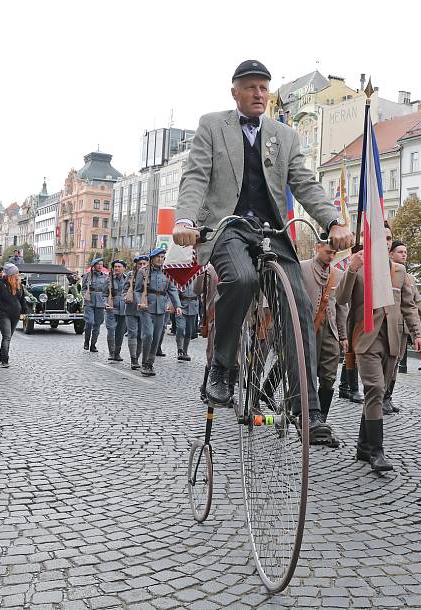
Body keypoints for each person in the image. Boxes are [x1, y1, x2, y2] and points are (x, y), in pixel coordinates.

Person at [173, 59, 354, 442]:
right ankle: (222, 366)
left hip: (271, 231)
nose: (258, 94)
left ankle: (307, 410)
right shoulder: (212, 125)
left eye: (264, 88)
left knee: (299, 304)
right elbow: (195, 177)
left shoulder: (284, 135)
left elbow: (305, 183)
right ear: (234, 91)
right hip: (227, 227)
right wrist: (186, 220)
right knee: (241, 277)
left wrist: (333, 221)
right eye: (251, 87)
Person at [336, 228, 421, 471]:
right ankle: (376, 451)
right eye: (379, 237)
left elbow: (408, 306)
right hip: (366, 338)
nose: (384, 242)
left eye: (388, 238)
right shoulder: (358, 266)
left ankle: (363, 447)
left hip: (392, 339)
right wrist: (352, 269)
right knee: (374, 388)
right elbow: (341, 299)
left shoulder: (399, 271)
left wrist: (418, 334)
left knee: (379, 391)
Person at [300, 237, 348, 427]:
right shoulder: (301, 268)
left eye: (334, 253)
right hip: (308, 329)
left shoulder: (338, 274)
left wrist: (343, 335)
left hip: (331, 331)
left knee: (328, 378)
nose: (331, 256)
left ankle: (321, 420)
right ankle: (304, 416)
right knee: (306, 375)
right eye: (328, 251)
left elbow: (342, 307)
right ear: (317, 247)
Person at [384, 240, 421, 414]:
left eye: (405, 252)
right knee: (386, 363)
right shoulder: (387, 272)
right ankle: (381, 397)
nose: (404, 255)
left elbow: (415, 303)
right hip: (387, 326)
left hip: (402, 327)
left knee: (395, 364)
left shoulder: (409, 278)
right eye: (400, 251)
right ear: (391, 254)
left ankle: (387, 397)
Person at [134, 247, 181, 376]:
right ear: (152, 258)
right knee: (148, 335)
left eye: (162, 257)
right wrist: (140, 302)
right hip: (146, 306)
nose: (160, 260)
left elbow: (172, 290)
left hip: (161, 308)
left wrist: (177, 306)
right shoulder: (143, 272)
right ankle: (144, 363)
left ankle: (150, 363)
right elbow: (137, 290)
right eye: (158, 257)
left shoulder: (167, 273)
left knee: (157, 337)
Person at [0, 263, 27, 368]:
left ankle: (1, 357)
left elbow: (22, 299)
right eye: (16, 273)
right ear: (11, 274)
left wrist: (24, 311)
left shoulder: (19, 285)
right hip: (3, 314)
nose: (18, 275)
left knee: (8, 337)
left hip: (15, 314)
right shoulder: (0, 285)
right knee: (7, 336)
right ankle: (5, 360)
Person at [194, 264, 218, 401]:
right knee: (212, 353)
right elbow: (196, 289)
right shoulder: (209, 269)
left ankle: (229, 390)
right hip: (215, 315)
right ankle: (205, 387)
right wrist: (200, 272)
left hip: (236, 315)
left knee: (236, 354)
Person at [124, 255, 147, 370]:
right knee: (132, 334)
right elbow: (124, 290)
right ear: (136, 265)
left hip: (144, 309)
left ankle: (137, 357)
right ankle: (133, 359)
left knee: (141, 336)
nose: (142, 266)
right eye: (140, 264)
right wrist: (126, 297)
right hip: (131, 308)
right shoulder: (130, 275)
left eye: (144, 264)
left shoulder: (149, 275)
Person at [105, 259, 129, 362]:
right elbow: (103, 294)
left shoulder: (128, 279)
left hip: (123, 309)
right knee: (111, 330)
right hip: (111, 309)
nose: (117, 268)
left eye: (119, 267)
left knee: (120, 332)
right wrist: (105, 303)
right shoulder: (108, 279)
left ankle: (117, 353)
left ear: (124, 268)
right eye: (115, 267)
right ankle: (111, 353)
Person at [82, 257, 108, 352]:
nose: (100, 266)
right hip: (89, 302)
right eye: (98, 264)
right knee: (89, 322)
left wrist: (105, 300)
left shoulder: (106, 277)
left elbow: (107, 291)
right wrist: (85, 295)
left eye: (101, 264)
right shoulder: (87, 276)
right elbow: (83, 288)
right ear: (94, 266)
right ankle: (86, 341)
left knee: (97, 325)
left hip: (100, 302)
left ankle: (93, 344)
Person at [176, 280, 199, 361]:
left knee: (189, 331)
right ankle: (180, 349)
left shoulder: (197, 277)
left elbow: (202, 291)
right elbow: (175, 292)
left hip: (193, 306)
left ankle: (185, 351)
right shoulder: (181, 278)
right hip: (182, 305)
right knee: (180, 328)